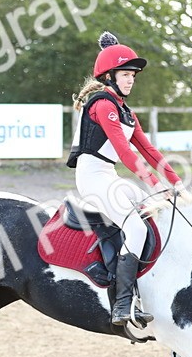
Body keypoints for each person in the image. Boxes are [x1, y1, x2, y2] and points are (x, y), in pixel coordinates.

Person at [68, 31, 185, 327]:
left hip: (109, 175)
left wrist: (175, 180)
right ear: (109, 76)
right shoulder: (103, 104)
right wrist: (156, 185)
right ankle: (121, 304)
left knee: (148, 214)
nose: (131, 79)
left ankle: (144, 291)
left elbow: (147, 148)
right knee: (135, 228)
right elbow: (123, 150)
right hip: (92, 176)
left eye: (133, 74)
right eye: (125, 73)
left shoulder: (126, 111)